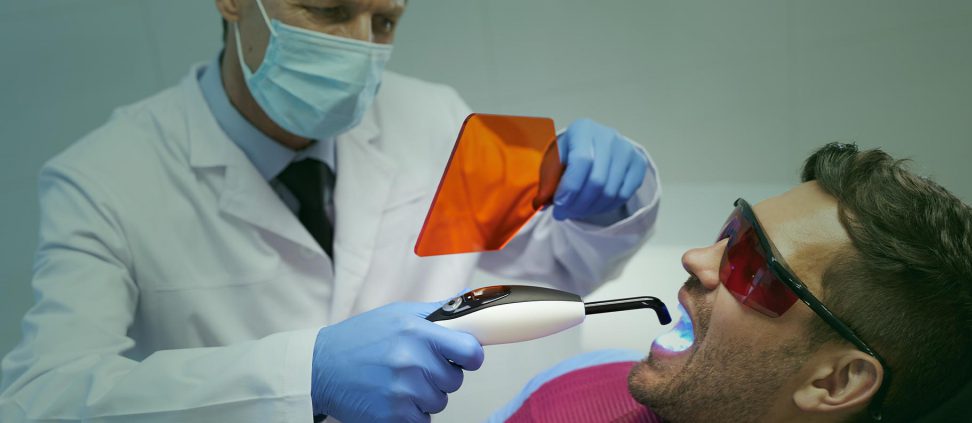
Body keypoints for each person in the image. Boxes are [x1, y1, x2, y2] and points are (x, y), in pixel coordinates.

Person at [0, 1, 660, 422]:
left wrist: (606, 206)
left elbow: (552, 269)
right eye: (328, 10)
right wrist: (300, 376)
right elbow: (42, 398)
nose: (359, 47)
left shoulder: (435, 116)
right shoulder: (101, 177)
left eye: (384, 22)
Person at [488, 143, 972, 423]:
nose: (697, 258)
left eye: (752, 266)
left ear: (835, 383)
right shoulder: (578, 386)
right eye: (734, 229)